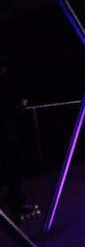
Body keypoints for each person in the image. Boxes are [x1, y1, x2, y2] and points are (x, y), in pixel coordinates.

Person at [0, 55, 37, 221]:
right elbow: (16, 107)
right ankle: (18, 206)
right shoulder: (4, 84)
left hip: (6, 133)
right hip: (6, 133)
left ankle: (16, 204)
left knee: (10, 170)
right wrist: (21, 105)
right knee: (14, 169)